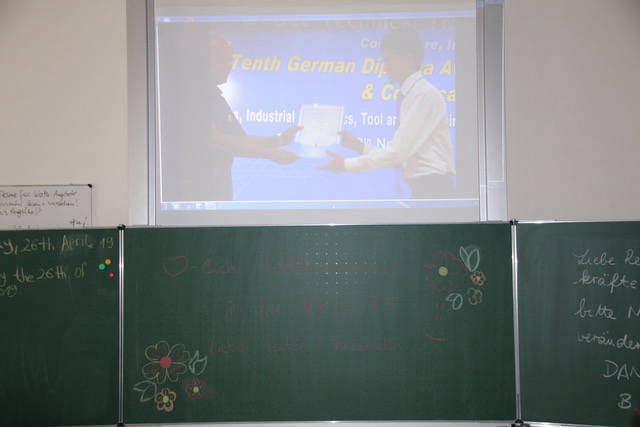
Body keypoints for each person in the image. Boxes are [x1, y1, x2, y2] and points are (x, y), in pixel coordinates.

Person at [159, 28, 300, 202]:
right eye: (222, 60)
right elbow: (217, 141)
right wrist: (270, 153)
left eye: (230, 60)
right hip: (196, 200)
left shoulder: (214, 96)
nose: (229, 66)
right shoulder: (190, 96)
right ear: (202, 61)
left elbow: (239, 139)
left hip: (217, 199)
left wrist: (279, 140)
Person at [319, 28, 455, 199]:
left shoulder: (424, 95)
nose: (384, 68)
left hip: (434, 189)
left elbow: (397, 154)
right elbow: (400, 156)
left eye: (388, 60)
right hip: (424, 189)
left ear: (409, 59)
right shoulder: (410, 95)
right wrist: (359, 147)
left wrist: (346, 164)